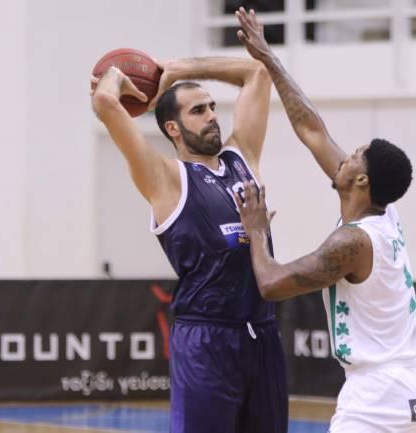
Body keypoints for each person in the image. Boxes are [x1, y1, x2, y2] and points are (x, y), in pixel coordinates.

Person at [234, 7, 416, 432]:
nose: (345, 155)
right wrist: (269, 59)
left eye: (355, 155)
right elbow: (313, 131)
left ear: (361, 180)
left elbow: (272, 284)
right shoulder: (385, 213)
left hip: (379, 396)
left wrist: (256, 232)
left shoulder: (351, 243)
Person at [91, 55, 288, 433]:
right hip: (207, 338)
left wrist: (180, 69)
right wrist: (115, 75)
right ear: (173, 128)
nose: (212, 115)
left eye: (212, 107)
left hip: (262, 334)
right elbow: (104, 102)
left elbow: (256, 72)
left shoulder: (242, 158)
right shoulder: (165, 177)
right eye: (198, 111)